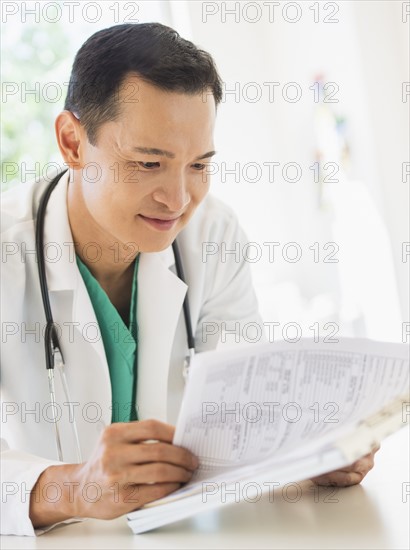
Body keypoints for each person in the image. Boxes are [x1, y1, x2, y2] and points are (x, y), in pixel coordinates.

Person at [0, 22, 378, 537]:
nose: (177, 200)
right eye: (149, 162)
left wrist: (306, 453)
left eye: (199, 165)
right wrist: (69, 487)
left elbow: (243, 411)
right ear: (72, 142)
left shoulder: (213, 235)